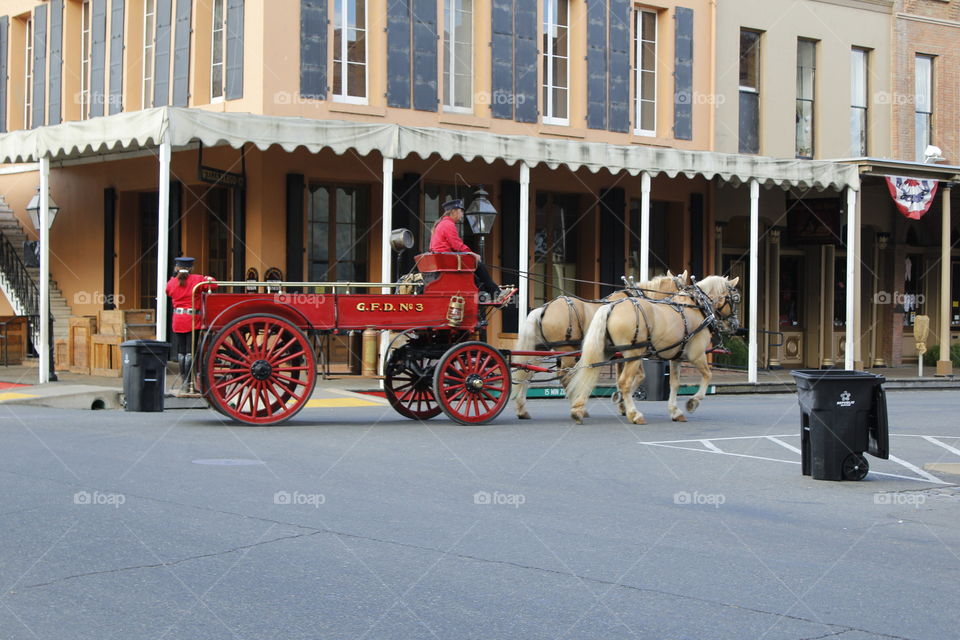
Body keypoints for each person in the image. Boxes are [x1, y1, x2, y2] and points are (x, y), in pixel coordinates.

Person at [430, 198, 512, 304]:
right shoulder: (448, 224)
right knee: (478, 265)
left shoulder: (441, 224)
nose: (462, 214)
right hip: (447, 259)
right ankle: (495, 292)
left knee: (474, 270)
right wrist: (471, 253)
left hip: (444, 258)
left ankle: (485, 292)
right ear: (454, 211)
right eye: (461, 211)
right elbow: (456, 244)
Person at [165, 257, 217, 392]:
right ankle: (191, 382)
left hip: (178, 319)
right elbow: (214, 284)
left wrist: (174, 277)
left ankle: (185, 382)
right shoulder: (197, 279)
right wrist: (207, 277)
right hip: (193, 319)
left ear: (177, 268)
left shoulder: (172, 282)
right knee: (191, 351)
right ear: (191, 268)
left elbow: (168, 292)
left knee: (181, 352)